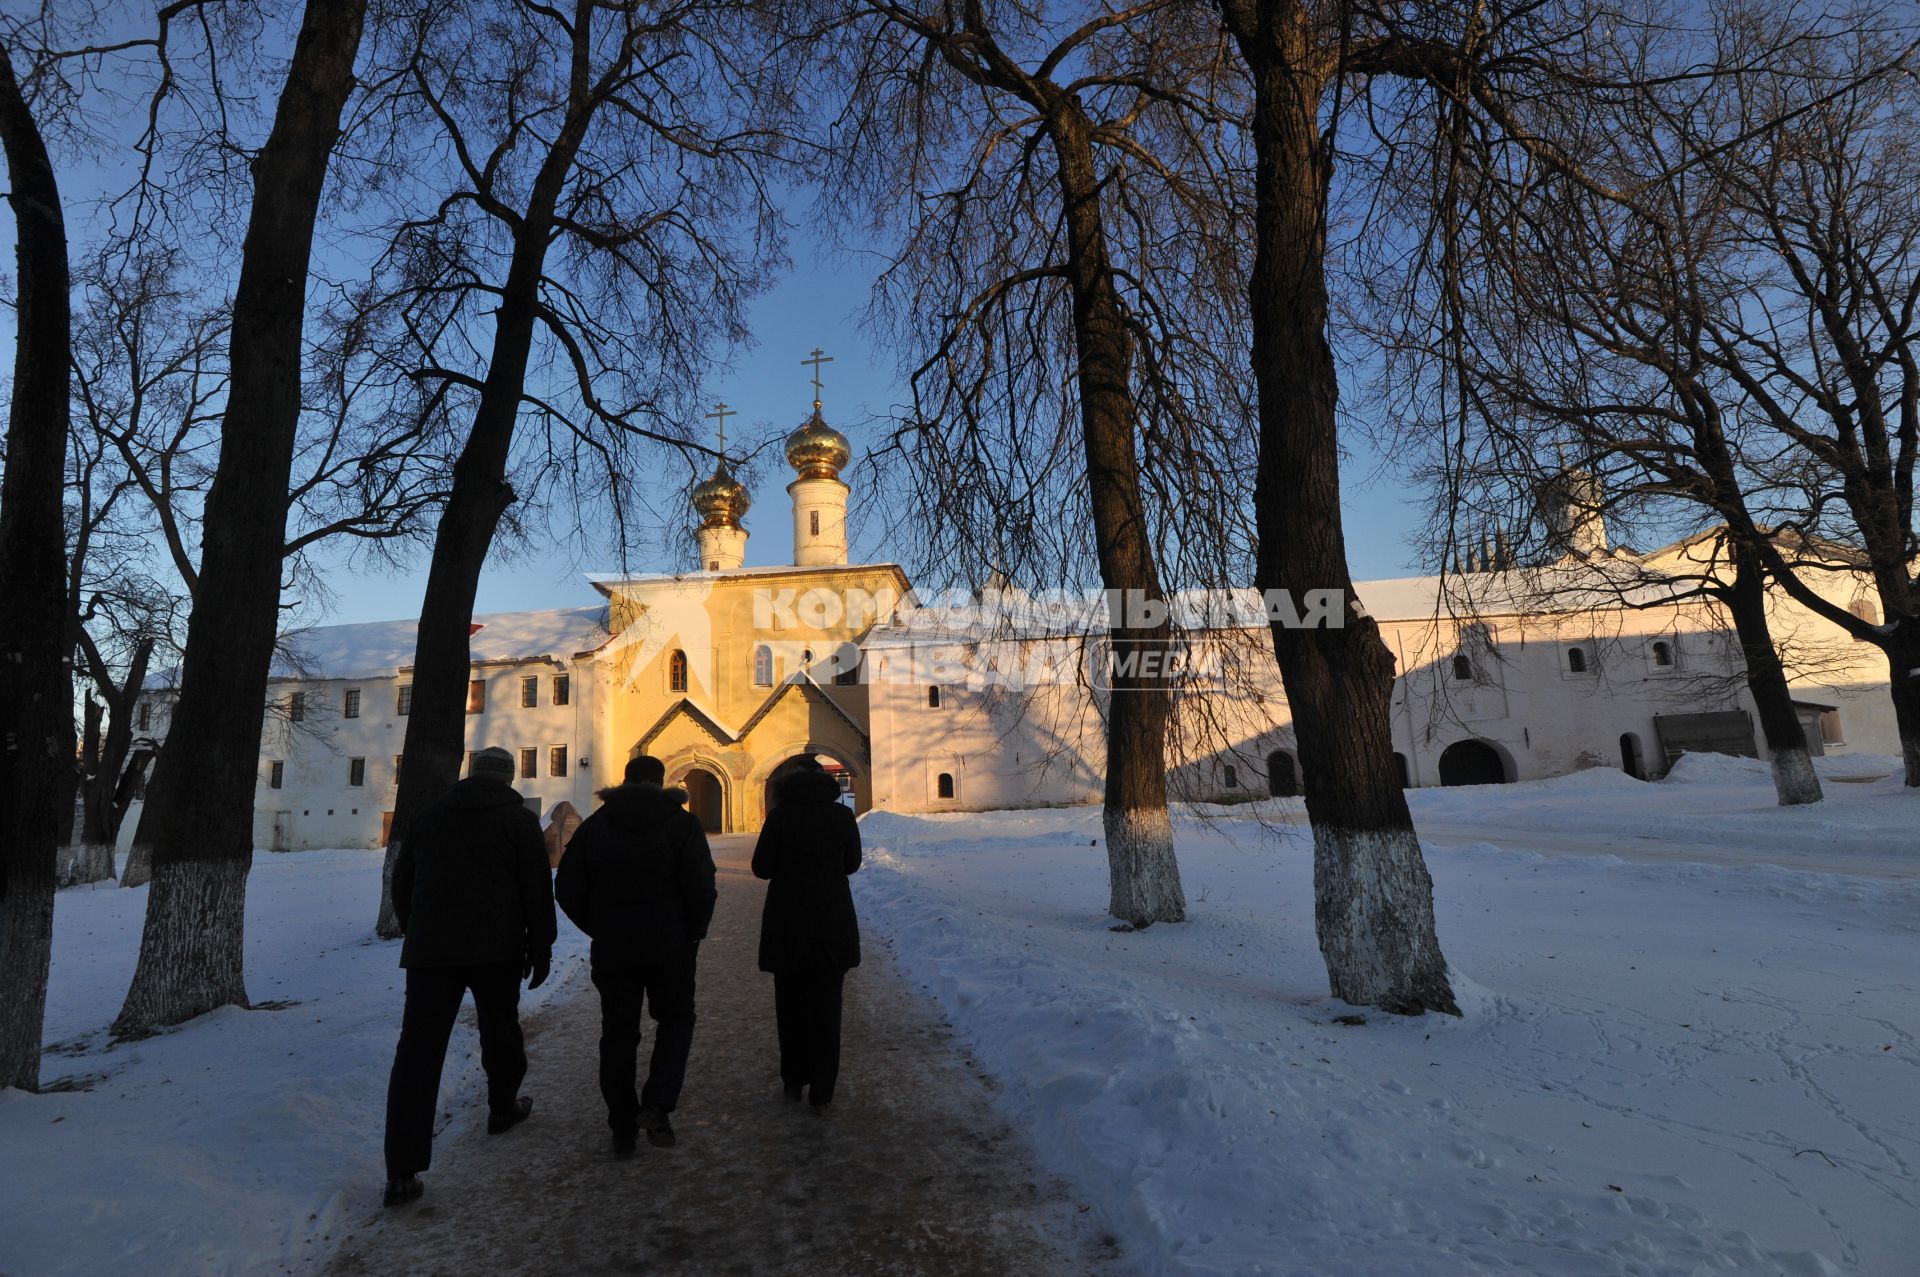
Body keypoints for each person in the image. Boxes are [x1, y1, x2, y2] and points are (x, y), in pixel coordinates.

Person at [383, 745, 556, 1207]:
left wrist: (418, 929)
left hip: (431, 953)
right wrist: (540, 948)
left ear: (473, 774)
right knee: (500, 1032)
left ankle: (401, 1171)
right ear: (508, 778)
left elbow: (402, 883)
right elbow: (537, 889)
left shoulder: (431, 816)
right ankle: (502, 1108)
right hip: (495, 950)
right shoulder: (518, 821)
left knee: (417, 1054)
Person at [555, 754, 717, 1154]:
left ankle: (621, 1124)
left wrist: (599, 926)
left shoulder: (595, 828)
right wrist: (692, 933)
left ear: (625, 782)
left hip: (614, 947)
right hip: (671, 945)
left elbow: (568, 888)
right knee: (677, 1020)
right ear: (660, 783)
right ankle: (658, 1103)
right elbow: (701, 886)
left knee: (618, 1032)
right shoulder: (682, 824)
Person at [752, 755, 862, 1109]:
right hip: (832, 918)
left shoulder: (781, 816)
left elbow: (761, 867)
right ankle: (823, 1087)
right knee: (828, 1005)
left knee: (790, 1004)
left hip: (788, 920)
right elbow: (852, 863)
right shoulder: (842, 816)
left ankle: (794, 1077)